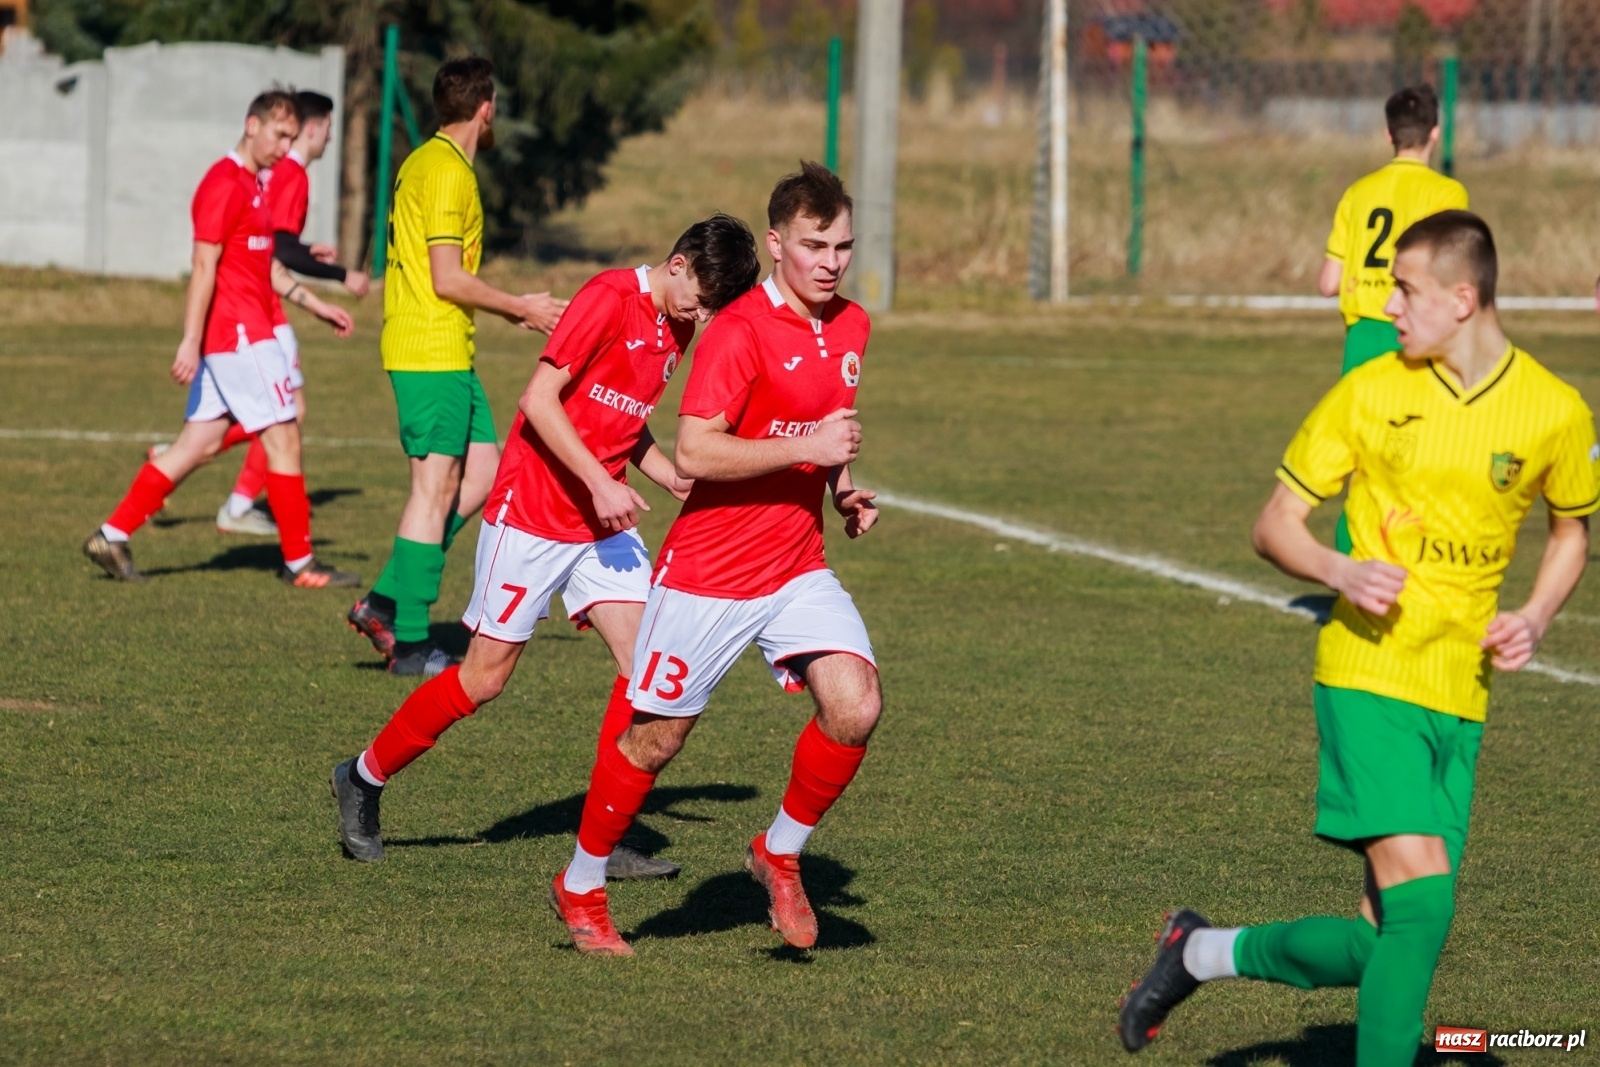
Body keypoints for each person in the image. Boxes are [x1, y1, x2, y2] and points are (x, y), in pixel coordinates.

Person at [1119, 211, 1596, 1065]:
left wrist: (1535, 614)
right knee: (1424, 908)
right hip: (1367, 674)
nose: (1387, 308)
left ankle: (1197, 950)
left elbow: (1571, 530)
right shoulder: (1372, 389)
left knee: (1388, 942)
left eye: (1404, 291)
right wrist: (1338, 573)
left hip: (1461, 694)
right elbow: (1275, 525)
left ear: (1463, 296)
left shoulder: (1553, 411)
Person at [328, 214, 761, 881]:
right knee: (484, 678)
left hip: (599, 521)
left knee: (647, 666)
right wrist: (599, 480)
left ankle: (603, 837)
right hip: (531, 511)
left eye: (712, 309)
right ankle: (362, 776)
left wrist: (667, 472)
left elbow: (623, 417)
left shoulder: (672, 325)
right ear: (678, 264)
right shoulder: (607, 299)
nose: (701, 317)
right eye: (700, 299)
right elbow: (540, 401)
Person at [548, 162, 883, 957]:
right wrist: (809, 446)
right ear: (775, 244)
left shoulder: (853, 325)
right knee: (657, 740)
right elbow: (696, 451)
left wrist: (842, 490)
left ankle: (779, 851)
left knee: (856, 704)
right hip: (709, 572)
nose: (831, 261)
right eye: (813, 245)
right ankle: (582, 880)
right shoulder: (735, 332)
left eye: (842, 244)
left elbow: (829, 422)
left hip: (796, 564)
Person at [345, 56, 567, 677]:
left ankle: (387, 598)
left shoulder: (426, 160)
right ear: (486, 109)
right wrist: (518, 307)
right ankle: (411, 642)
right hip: (429, 349)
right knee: (433, 488)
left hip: (447, 351)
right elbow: (447, 277)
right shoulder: (446, 173)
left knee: (484, 473)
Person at [83, 90, 359, 588]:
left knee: (196, 445)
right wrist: (191, 339)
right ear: (251, 125)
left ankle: (112, 534)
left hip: (240, 334)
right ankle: (300, 564)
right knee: (284, 435)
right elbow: (204, 265)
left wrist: (316, 304)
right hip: (239, 335)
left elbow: (262, 265)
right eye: (279, 134)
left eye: (292, 138)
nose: (284, 146)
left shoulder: (255, 187)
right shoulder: (222, 183)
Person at [214, 89, 372, 538]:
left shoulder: (279, 174)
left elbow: (276, 242)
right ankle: (238, 504)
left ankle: (206, 472)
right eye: (328, 129)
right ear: (315, 127)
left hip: (264, 302)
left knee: (281, 411)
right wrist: (339, 275)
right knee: (286, 412)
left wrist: (309, 254)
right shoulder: (292, 175)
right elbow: (277, 249)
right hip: (259, 308)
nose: (328, 139)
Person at [1320, 85, 1469, 554]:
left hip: (1362, 338)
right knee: (1419, 458)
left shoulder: (1359, 192)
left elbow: (1328, 281)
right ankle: (1408, 565)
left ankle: (1350, 570)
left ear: (1388, 135)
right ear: (1436, 134)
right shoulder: (1446, 192)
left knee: (1362, 462)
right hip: (1416, 338)